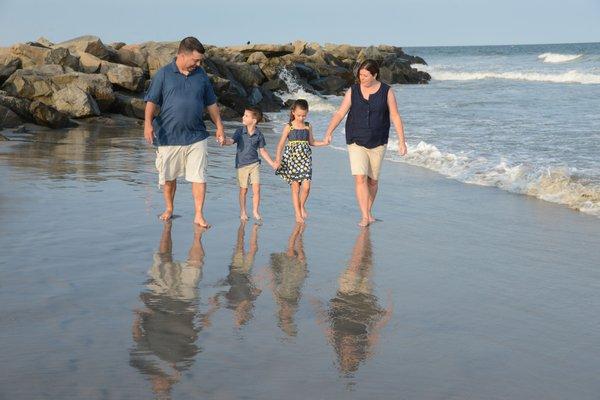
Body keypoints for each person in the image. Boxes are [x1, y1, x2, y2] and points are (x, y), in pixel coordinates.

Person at [143, 36, 225, 228]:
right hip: (168, 136)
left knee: (199, 177)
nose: (198, 64)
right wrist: (147, 123)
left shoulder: (201, 75)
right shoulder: (163, 74)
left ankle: (198, 214)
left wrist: (219, 125)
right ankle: (169, 208)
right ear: (182, 55)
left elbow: (211, 103)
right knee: (169, 178)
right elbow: (151, 101)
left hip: (196, 135)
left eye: (200, 61)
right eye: (195, 60)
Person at [323, 59, 408, 227]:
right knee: (360, 178)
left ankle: (368, 211)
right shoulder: (353, 91)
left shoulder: (387, 91)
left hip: (378, 140)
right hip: (355, 139)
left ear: (374, 74)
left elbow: (395, 116)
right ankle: (364, 216)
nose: (361, 78)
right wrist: (328, 133)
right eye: (360, 75)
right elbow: (340, 113)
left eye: (365, 75)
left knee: (373, 181)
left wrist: (401, 141)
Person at [274, 99, 327, 223]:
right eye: (299, 115)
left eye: (304, 115)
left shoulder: (308, 126)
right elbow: (281, 144)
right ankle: (297, 214)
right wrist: (277, 159)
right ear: (293, 112)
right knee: (295, 188)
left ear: (307, 113)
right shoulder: (289, 126)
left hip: (305, 159)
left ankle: (301, 205)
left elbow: (312, 142)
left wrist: (324, 142)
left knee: (307, 187)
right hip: (291, 160)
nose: (301, 118)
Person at [222, 107, 276, 221]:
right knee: (244, 190)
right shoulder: (240, 131)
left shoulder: (259, 134)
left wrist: (272, 163)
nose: (243, 117)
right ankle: (243, 211)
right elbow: (231, 141)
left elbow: (262, 151)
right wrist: (224, 141)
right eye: (244, 115)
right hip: (241, 165)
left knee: (257, 188)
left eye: (246, 115)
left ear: (254, 120)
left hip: (254, 164)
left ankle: (255, 211)